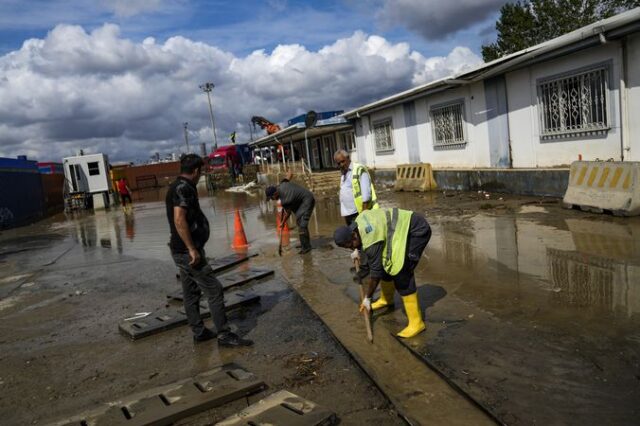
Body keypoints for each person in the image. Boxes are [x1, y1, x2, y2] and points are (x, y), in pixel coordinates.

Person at [166, 154, 252, 347]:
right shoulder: (182, 188)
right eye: (202, 170)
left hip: (182, 250)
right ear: (196, 171)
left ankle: (199, 331)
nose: (202, 174)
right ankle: (224, 334)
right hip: (188, 252)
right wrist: (191, 249)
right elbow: (179, 219)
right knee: (214, 290)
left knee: (190, 292)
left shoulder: (177, 186)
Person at [333, 207, 431, 338]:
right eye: (348, 248)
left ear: (353, 235)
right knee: (387, 265)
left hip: (416, 231)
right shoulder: (356, 226)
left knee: (402, 272)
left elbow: (375, 273)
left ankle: (417, 322)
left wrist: (367, 298)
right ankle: (387, 299)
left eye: (351, 245)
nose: (351, 248)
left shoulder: (370, 238)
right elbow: (365, 246)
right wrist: (358, 250)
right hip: (397, 230)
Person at [265, 178, 315, 254]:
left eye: (272, 198)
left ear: (275, 194)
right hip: (300, 201)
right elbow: (285, 180)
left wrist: (283, 222)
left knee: (302, 224)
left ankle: (306, 248)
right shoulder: (281, 185)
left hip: (307, 200)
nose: (272, 200)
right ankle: (304, 244)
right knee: (299, 222)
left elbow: (288, 213)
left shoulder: (285, 199)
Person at [334, 149, 378, 225]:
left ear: (348, 158)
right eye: (338, 163)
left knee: (362, 235)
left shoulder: (359, 169)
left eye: (343, 161)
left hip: (359, 213)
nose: (341, 165)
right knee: (353, 235)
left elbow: (366, 194)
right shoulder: (344, 173)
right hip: (348, 213)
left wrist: (364, 215)